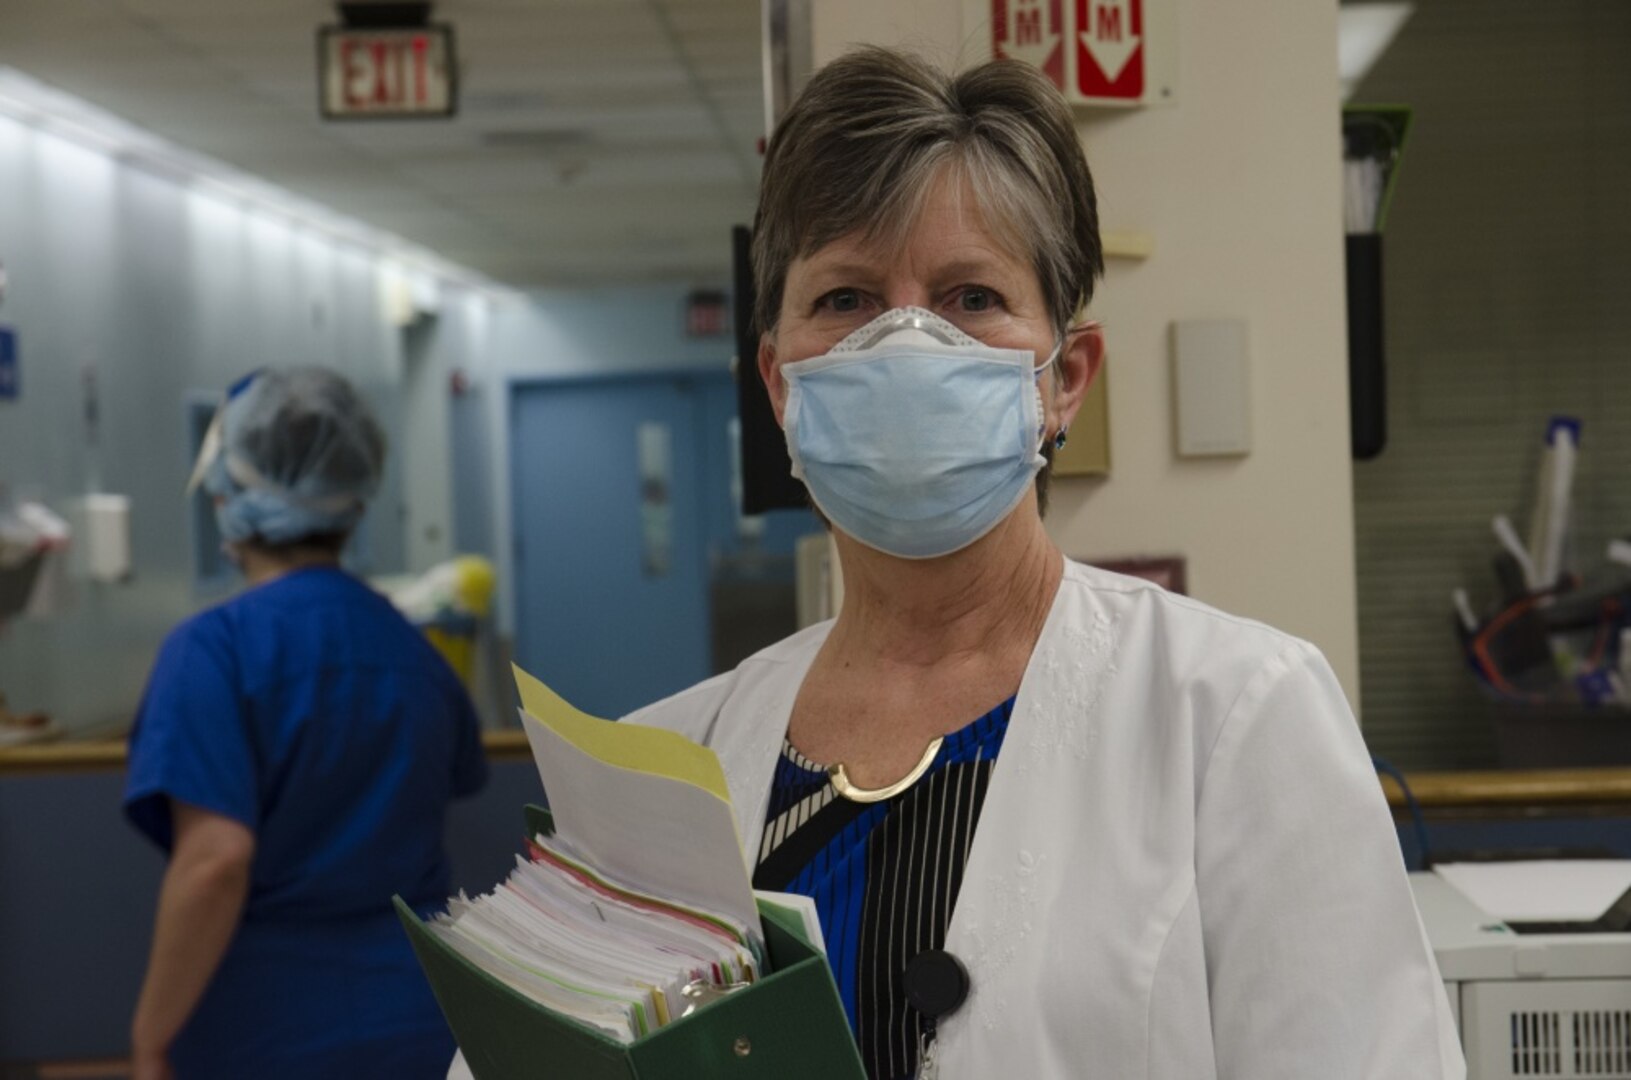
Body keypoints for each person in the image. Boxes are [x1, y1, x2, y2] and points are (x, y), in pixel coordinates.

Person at [623, 48, 1465, 1079]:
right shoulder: (659, 767)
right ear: (777, 382)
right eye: (844, 300)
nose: (903, 344)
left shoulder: (1237, 717)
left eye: (969, 297)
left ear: (1063, 378)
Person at [125, 367, 487, 1080]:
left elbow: (214, 861)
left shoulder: (213, 651)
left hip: (266, 1026)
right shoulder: (410, 649)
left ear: (231, 491)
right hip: (423, 1016)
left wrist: (148, 1037)